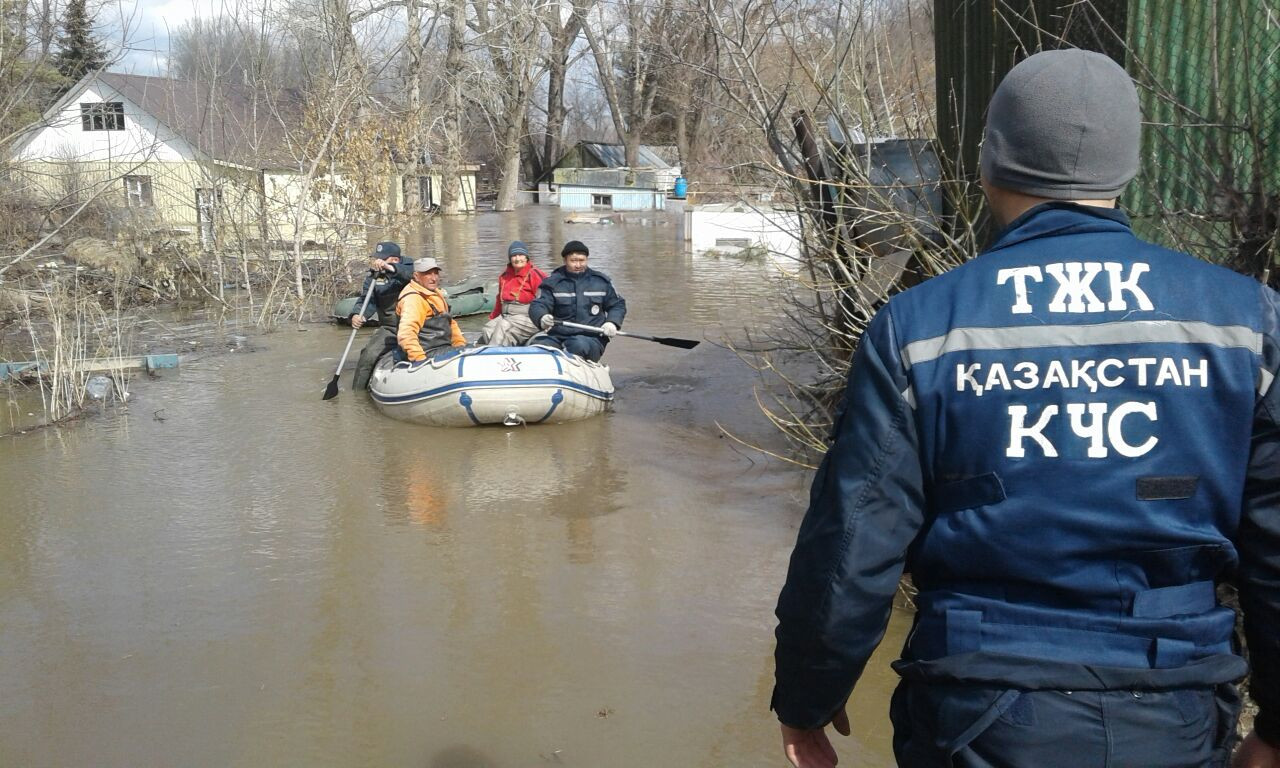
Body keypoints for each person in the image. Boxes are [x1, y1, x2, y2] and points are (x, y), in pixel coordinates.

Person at [771, 49, 1280, 768]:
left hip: (976, 713)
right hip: (1175, 708)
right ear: (1127, 166)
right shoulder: (1246, 321)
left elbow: (852, 540)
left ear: (988, 162)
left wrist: (805, 697)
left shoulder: (920, 326)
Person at [528, 240, 626, 363]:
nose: (578, 265)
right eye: (573, 261)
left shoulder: (601, 282)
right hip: (558, 336)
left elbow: (617, 305)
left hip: (591, 339)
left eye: (582, 260)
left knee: (577, 344)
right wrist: (542, 317)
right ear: (565, 260)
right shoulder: (552, 282)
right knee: (538, 348)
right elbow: (538, 304)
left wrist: (612, 323)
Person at [350, 241, 413, 390]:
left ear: (395, 260)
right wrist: (358, 315)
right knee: (368, 355)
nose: (377, 262)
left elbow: (411, 276)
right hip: (391, 328)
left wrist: (391, 269)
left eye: (382, 259)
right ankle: (358, 394)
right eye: (376, 258)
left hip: (416, 325)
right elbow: (367, 300)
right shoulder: (373, 277)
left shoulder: (411, 268)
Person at [395, 257, 466, 363]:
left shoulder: (436, 293)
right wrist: (419, 359)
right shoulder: (413, 299)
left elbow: (451, 324)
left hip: (444, 348)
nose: (434, 278)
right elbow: (406, 334)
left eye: (436, 273)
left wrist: (460, 344)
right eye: (427, 273)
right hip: (427, 353)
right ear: (416, 276)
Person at [478, 240, 547, 346]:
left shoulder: (534, 274)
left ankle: (495, 355)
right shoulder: (504, 276)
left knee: (503, 326)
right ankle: (493, 350)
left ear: (526, 257)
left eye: (521, 255)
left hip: (529, 317)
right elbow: (499, 301)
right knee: (488, 328)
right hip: (506, 315)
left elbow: (546, 298)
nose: (518, 259)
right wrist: (493, 317)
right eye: (514, 255)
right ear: (510, 258)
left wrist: (545, 318)